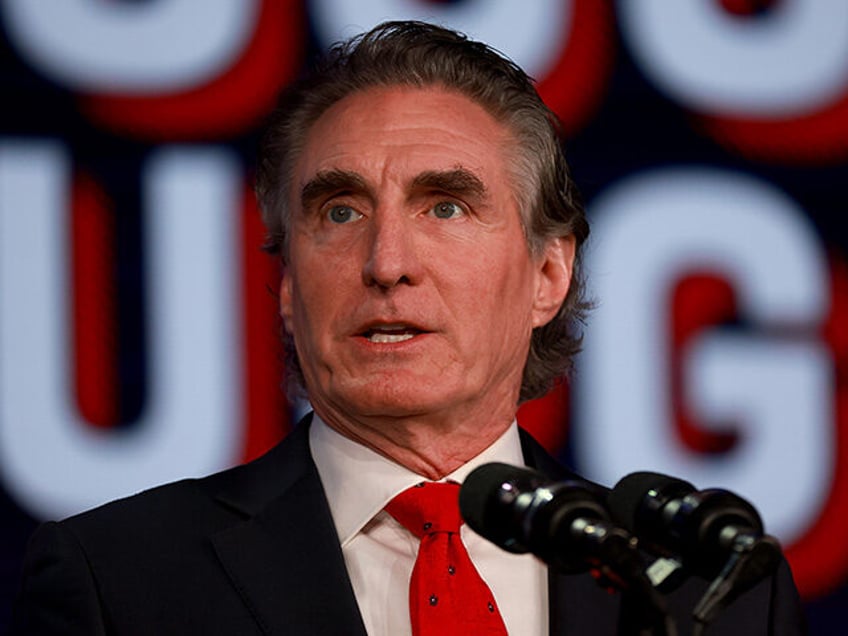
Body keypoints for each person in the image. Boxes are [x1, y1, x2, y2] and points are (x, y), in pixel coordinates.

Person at [12, 21, 805, 635]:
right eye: (341, 211)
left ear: (547, 276)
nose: (386, 262)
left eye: (447, 206)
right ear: (288, 286)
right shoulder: (116, 579)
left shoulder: (715, 590)